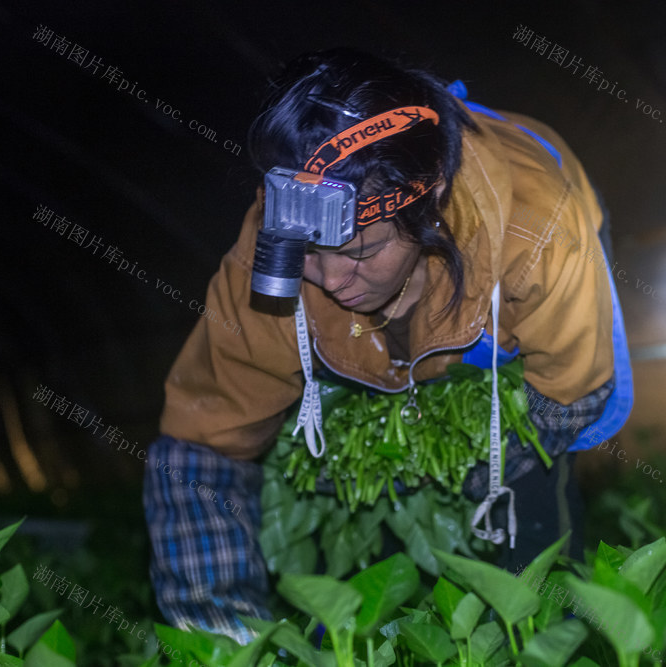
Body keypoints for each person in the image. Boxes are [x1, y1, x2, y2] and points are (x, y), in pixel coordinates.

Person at [143, 47, 627, 644]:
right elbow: (204, 437)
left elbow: (574, 392)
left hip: (529, 257)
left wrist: (475, 458)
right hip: (378, 347)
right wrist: (219, 630)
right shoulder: (268, 253)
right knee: (352, 558)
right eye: (306, 257)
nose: (330, 280)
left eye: (360, 254)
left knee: (526, 536)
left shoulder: (541, 230)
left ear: (432, 201)